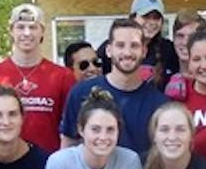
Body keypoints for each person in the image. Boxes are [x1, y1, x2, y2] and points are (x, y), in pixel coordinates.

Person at [60, 18, 169, 154]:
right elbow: (68, 147)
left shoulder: (160, 104)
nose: (127, 53)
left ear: (144, 51)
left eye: (134, 46)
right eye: (120, 45)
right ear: (109, 50)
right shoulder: (81, 93)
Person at [0, 4, 74, 154]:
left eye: (33, 27)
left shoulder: (63, 76)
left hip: (46, 164)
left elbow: (71, 128)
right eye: (20, 27)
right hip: (2, 160)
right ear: (11, 30)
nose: (27, 33)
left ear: (42, 31)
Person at [97, 0, 179, 89]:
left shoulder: (169, 49)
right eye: (146, 16)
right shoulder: (113, 47)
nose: (151, 22)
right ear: (133, 17)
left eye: (156, 18)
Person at [171, 9, 206, 78]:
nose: (185, 42)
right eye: (180, 36)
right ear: (173, 38)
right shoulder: (166, 77)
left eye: (192, 36)